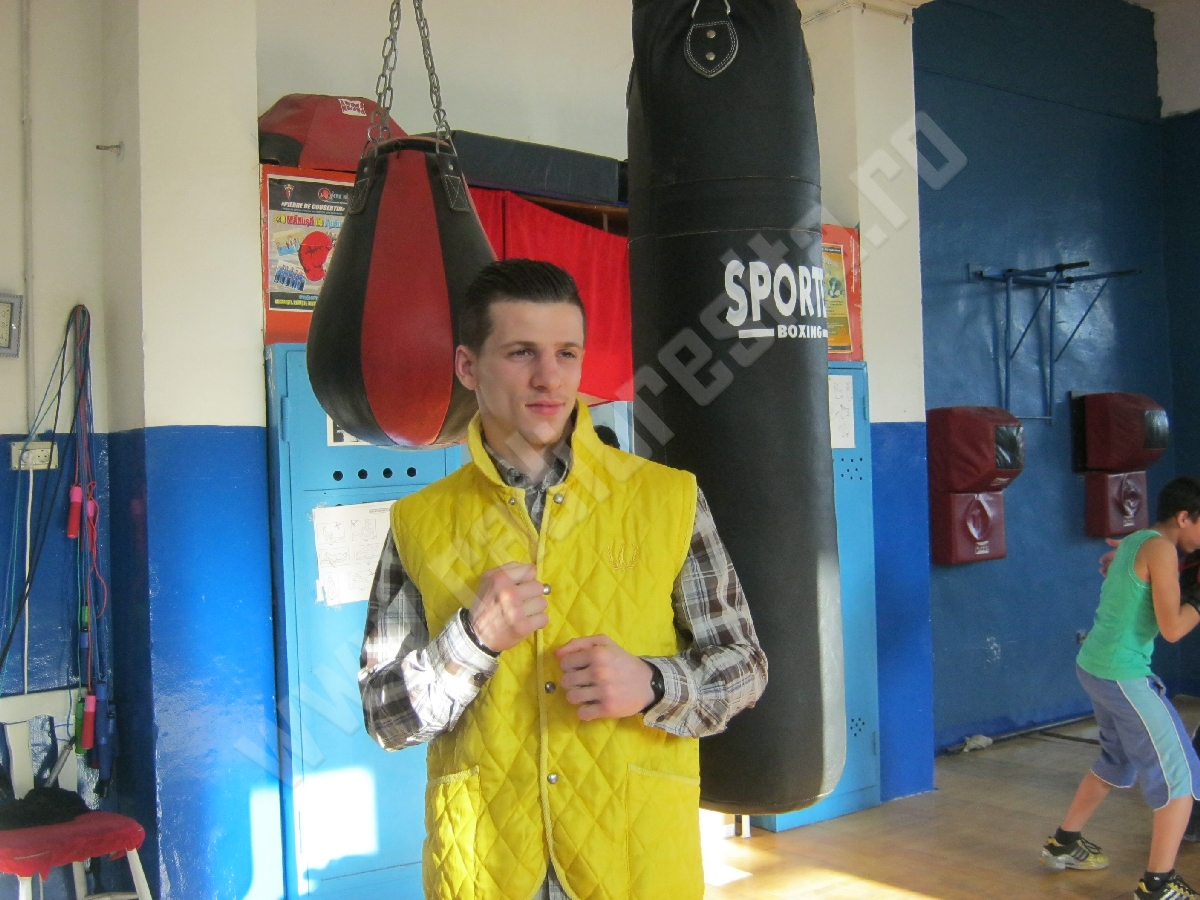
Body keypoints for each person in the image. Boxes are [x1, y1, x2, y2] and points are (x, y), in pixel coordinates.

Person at [358, 259, 768, 900]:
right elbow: (385, 718)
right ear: (468, 367)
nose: (549, 377)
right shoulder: (420, 521)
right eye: (521, 352)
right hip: (483, 870)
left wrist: (654, 683)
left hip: (634, 861)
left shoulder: (667, 499)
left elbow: (745, 666)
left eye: (566, 353)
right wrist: (471, 641)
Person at [1043, 476, 1200, 899]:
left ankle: (1065, 842)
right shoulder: (1161, 549)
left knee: (1117, 761)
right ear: (1184, 517)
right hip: (1122, 674)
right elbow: (1173, 629)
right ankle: (1157, 886)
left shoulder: (1139, 539)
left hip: (1095, 666)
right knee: (1182, 778)